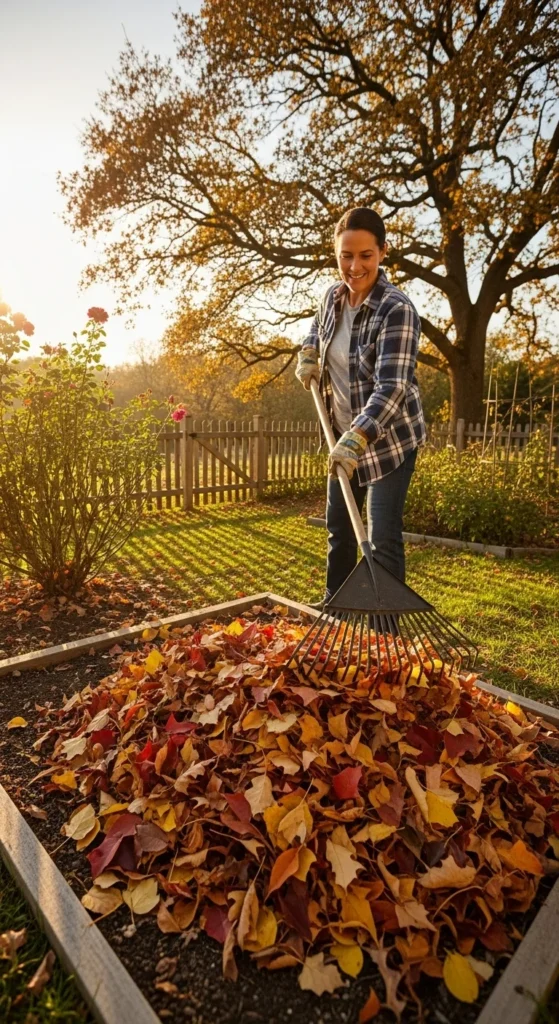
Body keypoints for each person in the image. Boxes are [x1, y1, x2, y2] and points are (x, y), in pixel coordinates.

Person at [296, 207, 426, 609]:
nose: (354, 266)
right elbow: (317, 327)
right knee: (340, 527)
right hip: (341, 436)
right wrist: (309, 352)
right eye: (345, 256)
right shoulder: (332, 297)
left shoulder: (396, 309)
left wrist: (357, 438)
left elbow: (392, 387)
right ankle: (335, 606)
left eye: (365, 255)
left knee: (382, 535)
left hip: (386, 440)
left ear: (383, 252)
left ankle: (385, 631)